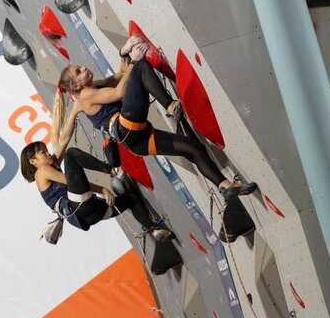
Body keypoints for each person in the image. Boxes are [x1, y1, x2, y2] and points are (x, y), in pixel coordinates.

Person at [50, 36, 257, 200]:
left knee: (193, 148)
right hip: (126, 127)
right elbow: (119, 92)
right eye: (79, 71)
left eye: (80, 66)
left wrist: (123, 53)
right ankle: (171, 106)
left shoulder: (93, 87)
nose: (84, 68)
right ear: (76, 85)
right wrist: (134, 61)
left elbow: (121, 75)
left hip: (137, 141)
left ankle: (225, 186)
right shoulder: (86, 95)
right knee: (140, 67)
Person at [20, 141, 154, 231]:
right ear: (33, 161)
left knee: (131, 200)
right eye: (43, 152)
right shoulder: (41, 172)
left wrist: (75, 111)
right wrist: (102, 189)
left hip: (90, 216)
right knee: (71, 153)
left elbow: (64, 138)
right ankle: (111, 169)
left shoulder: (51, 166)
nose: (48, 153)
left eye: (46, 150)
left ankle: (154, 229)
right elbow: (70, 181)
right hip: (78, 207)